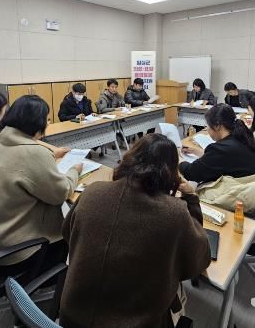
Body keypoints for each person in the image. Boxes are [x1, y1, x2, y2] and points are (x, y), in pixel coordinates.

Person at [60, 134, 210, 328]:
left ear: (129, 159)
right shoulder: (174, 213)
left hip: (72, 317)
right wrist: (190, 197)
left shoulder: (92, 192)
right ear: (171, 173)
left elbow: (68, 233)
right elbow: (198, 261)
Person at [0, 95, 81, 280]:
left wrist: (50, 155)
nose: (48, 123)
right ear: (36, 123)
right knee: (74, 235)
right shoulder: (33, 153)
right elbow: (61, 192)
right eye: (46, 119)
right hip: (18, 253)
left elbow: (23, 167)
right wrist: (75, 170)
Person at [180, 104, 255, 184]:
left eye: (207, 126)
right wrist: (196, 151)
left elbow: (191, 173)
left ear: (217, 126)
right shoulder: (244, 136)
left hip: (239, 193)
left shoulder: (220, 149)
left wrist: (178, 159)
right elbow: (221, 158)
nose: (207, 129)